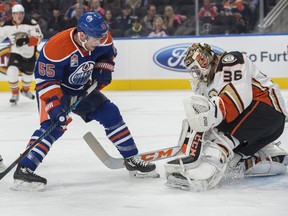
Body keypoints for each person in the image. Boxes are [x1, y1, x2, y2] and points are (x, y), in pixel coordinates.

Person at [12, 11, 159, 191]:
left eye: (100, 38)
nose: (99, 42)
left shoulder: (101, 37)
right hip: (56, 90)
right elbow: (45, 81)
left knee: (110, 113)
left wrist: (103, 68)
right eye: (95, 40)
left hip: (82, 89)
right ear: (82, 35)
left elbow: (108, 54)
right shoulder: (56, 48)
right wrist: (55, 107)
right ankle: (24, 168)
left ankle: (131, 158)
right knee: (53, 126)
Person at [164, 43, 288, 191]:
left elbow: (238, 98)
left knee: (220, 139)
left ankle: (202, 175)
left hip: (268, 111)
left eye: (197, 66)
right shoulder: (205, 84)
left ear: (204, 59)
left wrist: (210, 127)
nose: (196, 72)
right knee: (232, 164)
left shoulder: (231, 60)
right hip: (262, 129)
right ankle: (267, 156)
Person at [0, 4, 43, 105]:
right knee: (11, 71)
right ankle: (15, 94)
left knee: (28, 77)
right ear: (12, 15)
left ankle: (25, 90)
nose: (19, 16)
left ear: (24, 14)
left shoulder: (31, 23)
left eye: (21, 13)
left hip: (30, 54)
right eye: (16, 14)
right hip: (16, 52)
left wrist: (26, 40)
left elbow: (39, 38)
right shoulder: (6, 25)